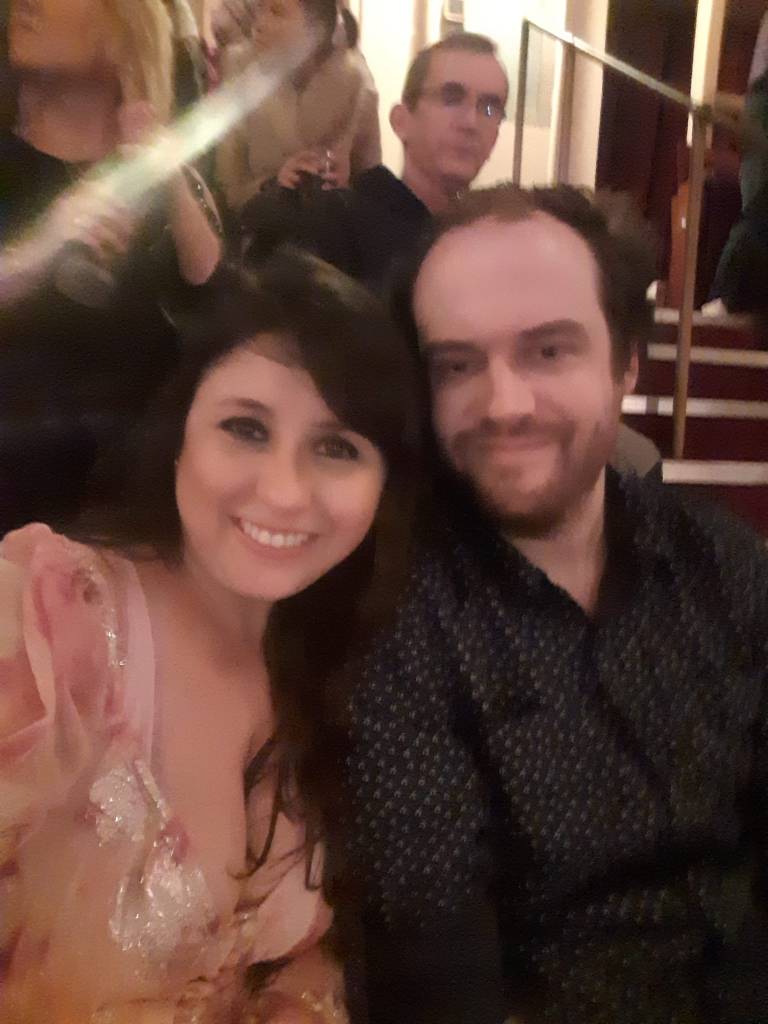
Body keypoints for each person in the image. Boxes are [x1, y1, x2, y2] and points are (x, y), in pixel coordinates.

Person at [340, 185, 768, 1024]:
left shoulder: (720, 560)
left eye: (547, 351)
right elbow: (437, 971)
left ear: (626, 365)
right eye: (457, 364)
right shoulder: (397, 615)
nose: (504, 404)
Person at [0, 249, 422, 1023]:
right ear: (178, 436)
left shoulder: (335, 670)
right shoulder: (48, 622)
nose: (285, 492)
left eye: (337, 447)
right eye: (245, 428)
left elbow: (302, 964)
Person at [0, 0, 222, 534]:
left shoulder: (161, 174)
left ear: (122, 35)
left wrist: (165, 168)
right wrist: (42, 248)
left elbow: (213, 285)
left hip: (137, 503)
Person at [241, 31, 508, 295]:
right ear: (401, 121)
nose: (471, 122)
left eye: (489, 107)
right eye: (451, 98)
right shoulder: (336, 227)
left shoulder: (490, 243)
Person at [215, 0, 375, 215]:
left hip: (331, 226)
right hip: (260, 226)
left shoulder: (354, 82)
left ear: (315, 27)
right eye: (260, 8)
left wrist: (346, 183)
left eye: (277, 12)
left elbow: (373, 191)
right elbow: (229, 188)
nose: (259, 24)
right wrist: (274, 184)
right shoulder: (240, 69)